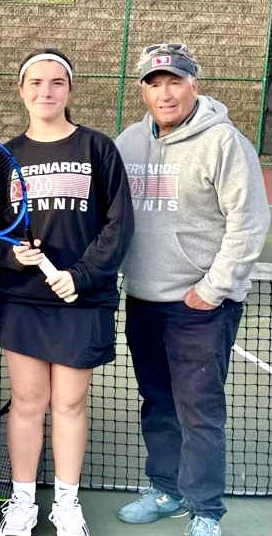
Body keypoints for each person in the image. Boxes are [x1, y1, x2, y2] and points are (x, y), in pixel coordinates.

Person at [114, 44, 268, 536]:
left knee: (198, 410)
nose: (165, 93)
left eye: (174, 81)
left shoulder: (224, 141)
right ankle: (165, 489)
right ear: (142, 90)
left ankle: (205, 510)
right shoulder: (128, 143)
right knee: (156, 402)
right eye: (154, 83)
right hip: (143, 300)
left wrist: (213, 288)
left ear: (193, 85)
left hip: (200, 306)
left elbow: (249, 222)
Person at [0, 49, 134, 536]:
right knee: (28, 402)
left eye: (55, 83)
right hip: (25, 298)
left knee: (69, 403)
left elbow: (117, 225)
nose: (44, 92)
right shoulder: (7, 156)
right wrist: (14, 256)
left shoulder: (97, 148)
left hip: (82, 298)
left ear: (69, 90)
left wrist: (82, 274)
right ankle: (23, 502)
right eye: (35, 83)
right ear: (21, 90)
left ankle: (67, 505)